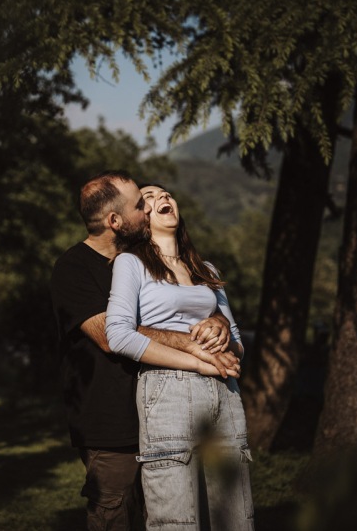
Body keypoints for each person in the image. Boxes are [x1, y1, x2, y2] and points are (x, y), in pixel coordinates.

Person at [50, 172, 241, 531]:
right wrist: (194, 344)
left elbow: (180, 307)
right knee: (117, 513)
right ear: (115, 221)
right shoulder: (74, 268)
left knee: (171, 515)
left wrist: (217, 320)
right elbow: (111, 335)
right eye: (140, 205)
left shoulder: (144, 261)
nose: (147, 208)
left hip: (165, 408)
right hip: (110, 418)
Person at [105, 184, 254, 531]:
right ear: (141, 218)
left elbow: (237, 342)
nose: (163, 199)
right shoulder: (131, 263)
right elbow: (119, 335)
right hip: (168, 390)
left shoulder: (207, 270)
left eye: (166, 194)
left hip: (225, 390)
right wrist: (200, 361)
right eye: (149, 199)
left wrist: (219, 326)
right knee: (176, 517)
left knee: (236, 516)